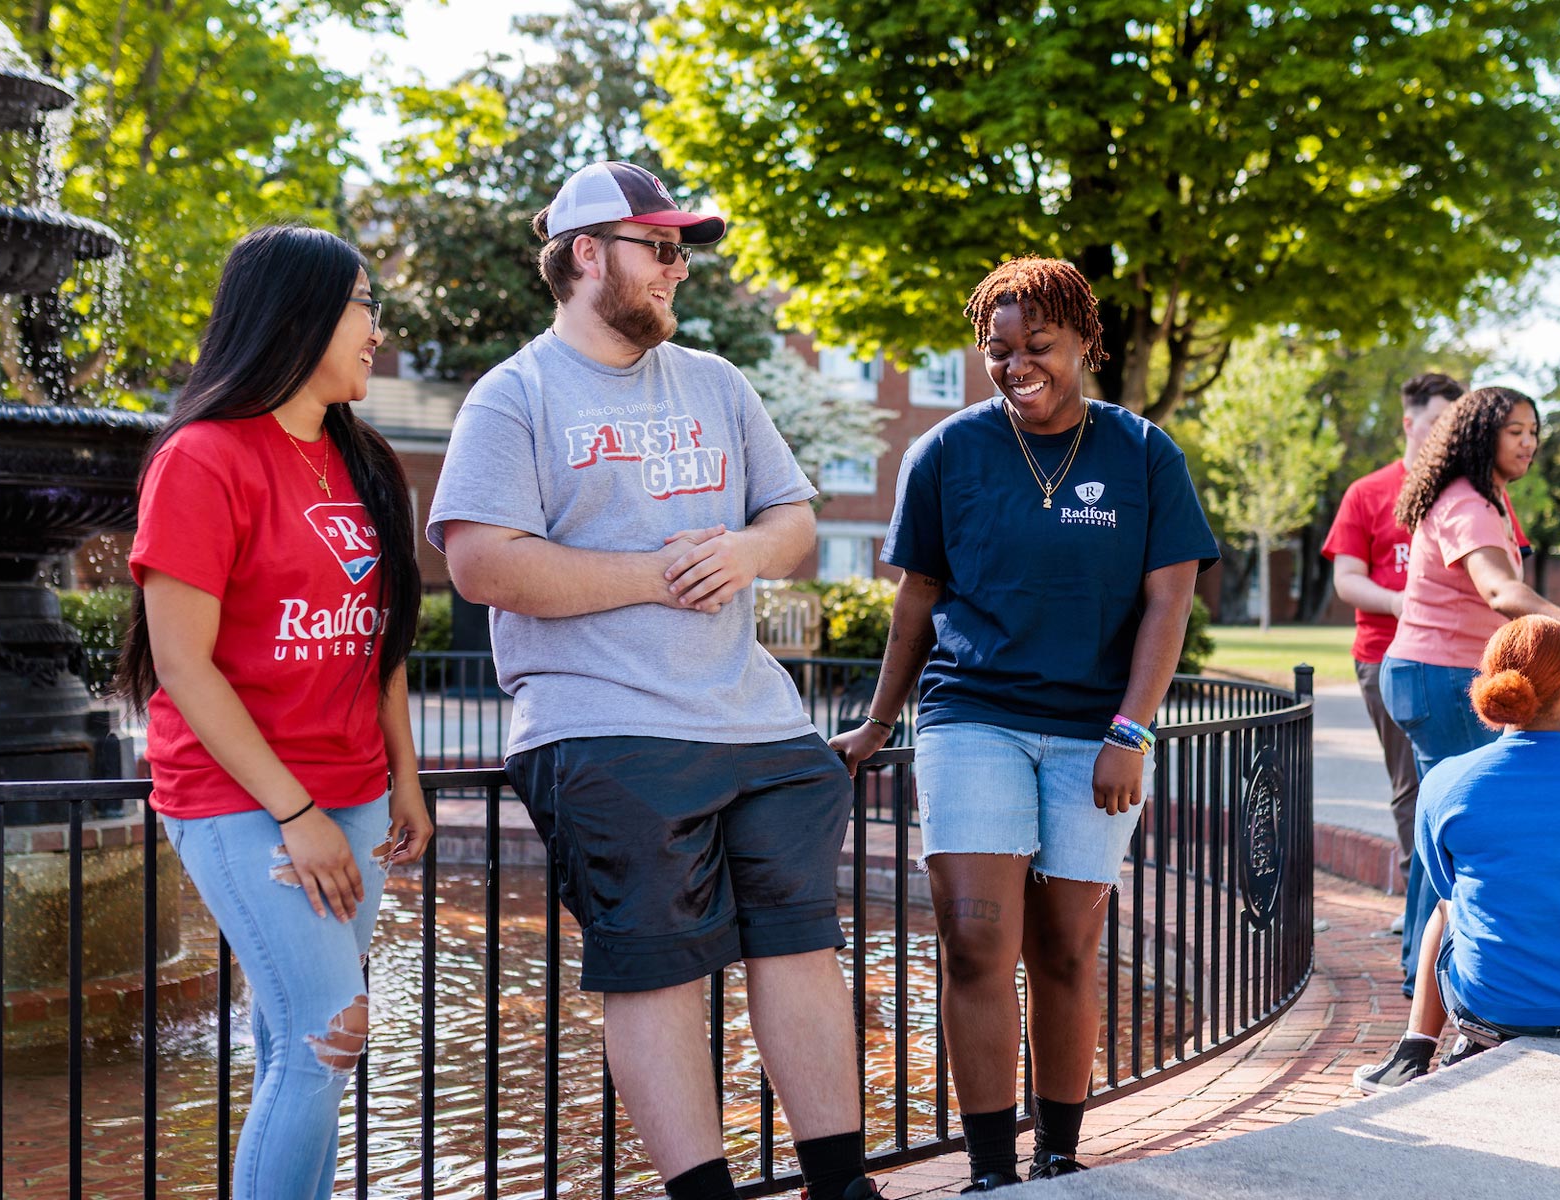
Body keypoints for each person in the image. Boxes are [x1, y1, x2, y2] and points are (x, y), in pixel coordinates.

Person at [429, 162, 874, 1200]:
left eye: (684, 251)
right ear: (589, 254)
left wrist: (748, 554)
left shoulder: (718, 382)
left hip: (757, 722)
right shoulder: (516, 395)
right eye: (661, 248)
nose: (680, 270)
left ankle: (843, 1187)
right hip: (604, 726)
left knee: (802, 947)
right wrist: (655, 575)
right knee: (660, 967)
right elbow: (481, 562)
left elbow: (796, 523)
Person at [832, 256, 1219, 1189]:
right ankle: (992, 1169)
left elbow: (1168, 604)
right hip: (975, 718)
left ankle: (1059, 1158)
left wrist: (1132, 731)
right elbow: (919, 599)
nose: (1018, 365)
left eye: (1039, 345)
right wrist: (880, 721)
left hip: (1096, 729)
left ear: (1087, 341)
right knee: (974, 940)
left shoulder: (1142, 452)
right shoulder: (946, 454)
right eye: (999, 350)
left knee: (1065, 946)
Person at [115, 225, 433, 1200]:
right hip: (239, 798)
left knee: (301, 1043)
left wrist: (405, 779)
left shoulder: (365, 459)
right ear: (298, 316)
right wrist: (295, 816)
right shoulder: (203, 460)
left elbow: (378, 639)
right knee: (331, 1035)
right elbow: (183, 664)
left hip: (358, 799)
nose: (376, 330)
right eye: (363, 306)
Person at [1380, 386, 1560, 991]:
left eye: (1534, 431)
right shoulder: (1467, 502)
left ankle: (1423, 965)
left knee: (1437, 817)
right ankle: (1428, 971)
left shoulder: (1478, 498)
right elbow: (1498, 591)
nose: (1529, 442)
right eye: (1515, 430)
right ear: (1480, 435)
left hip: (1428, 672)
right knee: (1452, 820)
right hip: (1441, 676)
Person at [1355, 615, 1560, 1091]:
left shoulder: (1445, 781)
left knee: (1447, 908)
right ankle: (1478, 1035)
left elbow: (1448, 890)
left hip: (1490, 1003)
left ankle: (1415, 1051)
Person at [1322, 372, 1529, 917]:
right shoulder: (1372, 492)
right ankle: (1428, 929)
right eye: (1440, 419)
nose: (1451, 428)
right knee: (1421, 793)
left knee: (1438, 797)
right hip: (1397, 656)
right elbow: (1346, 580)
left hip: (1448, 656)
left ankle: (1425, 933)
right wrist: (1404, 603)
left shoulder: (1485, 496)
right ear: (1410, 423)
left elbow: (1506, 570)